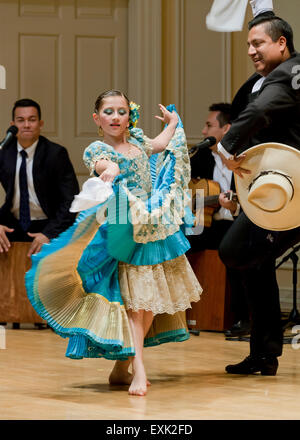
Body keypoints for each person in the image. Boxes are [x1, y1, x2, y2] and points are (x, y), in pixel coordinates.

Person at [25, 90, 202, 396]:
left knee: (146, 304)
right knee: (134, 306)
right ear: (97, 118)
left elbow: (159, 145)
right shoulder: (97, 149)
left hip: (150, 225)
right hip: (122, 226)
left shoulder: (137, 142)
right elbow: (103, 165)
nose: (116, 117)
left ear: (128, 114)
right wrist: (112, 169)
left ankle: (124, 365)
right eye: (109, 112)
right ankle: (138, 369)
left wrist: (173, 124)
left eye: (121, 111)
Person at [217, 13, 300, 375]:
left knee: (240, 251)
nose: (250, 50)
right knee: (248, 256)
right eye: (248, 45)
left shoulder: (287, 75)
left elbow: (262, 110)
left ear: (282, 43)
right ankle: (265, 353)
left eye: (258, 43)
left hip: (293, 196)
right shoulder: (276, 75)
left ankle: (265, 352)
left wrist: (228, 146)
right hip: (279, 193)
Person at [188, 103, 250, 337]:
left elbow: (251, 201)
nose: (204, 132)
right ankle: (179, 316)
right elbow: (183, 188)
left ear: (227, 129)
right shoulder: (202, 155)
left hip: (237, 224)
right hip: (207, 224)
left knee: (234, 248)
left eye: (209, 125)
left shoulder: (244, 158)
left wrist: (233, 206)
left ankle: (242, 318)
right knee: (178, 243)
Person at [0, 98, 79, 257]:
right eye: (21, 120)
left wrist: (49, 234)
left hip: (48, 224)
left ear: (40, 124)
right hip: (12, 224)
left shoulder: (56, 154)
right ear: (12, 125)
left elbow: (71, 200)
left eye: (32, 120)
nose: (27, 125)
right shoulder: (3, 152)